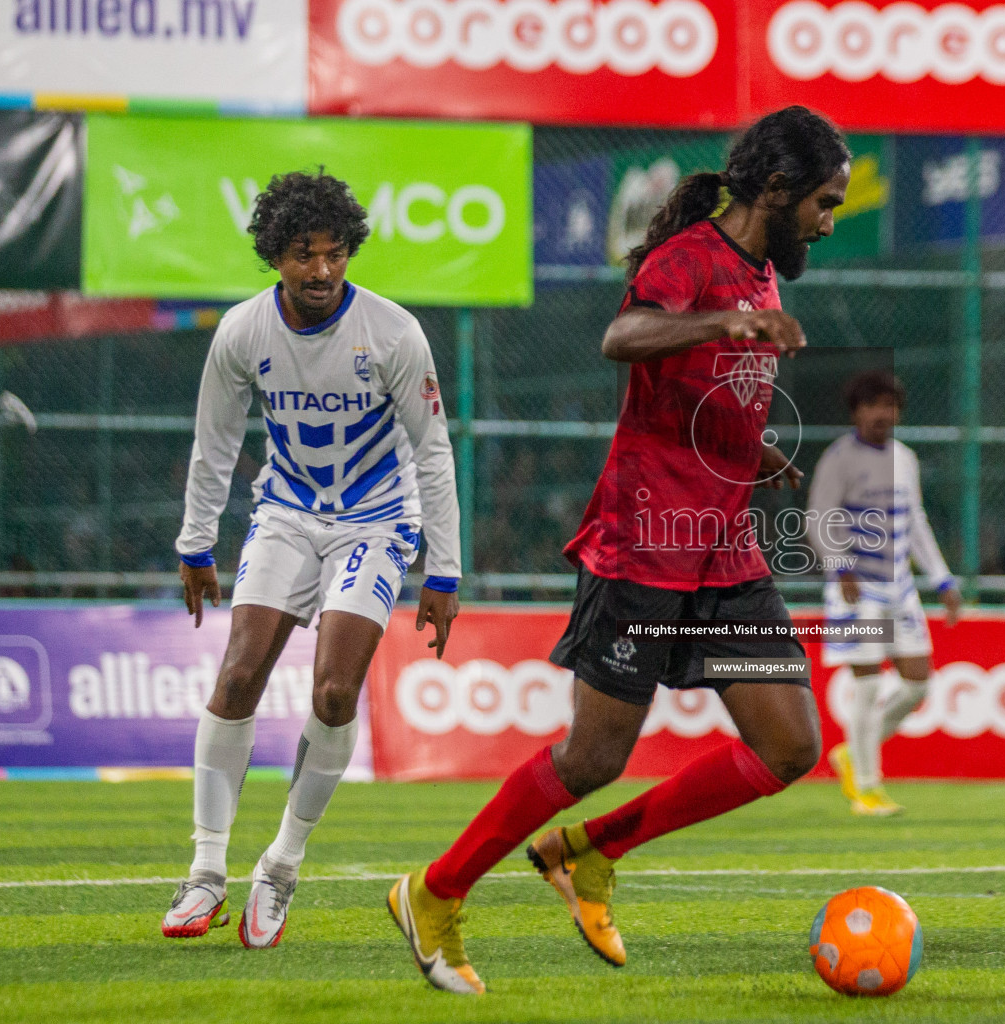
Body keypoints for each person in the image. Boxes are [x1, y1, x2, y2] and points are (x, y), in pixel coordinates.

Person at [386, 106, 852, 995]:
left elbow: (706, 393)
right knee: (594, 758)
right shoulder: (689, 262)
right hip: (643, 548)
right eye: (824, 203)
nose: (828, 223)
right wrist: (730, 327)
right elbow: (623, 338)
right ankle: (435, 891)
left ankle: (591, 852)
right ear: (779, 189)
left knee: (790, 746)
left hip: (725, 554)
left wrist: (758, 451)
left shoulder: (763, 280)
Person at [162, 170, 461, 948]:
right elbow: (216, 443)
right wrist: (195, 543)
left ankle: (283, 864)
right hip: (288, 513)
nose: (323, 270)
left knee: (334, 692)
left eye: (335, 253)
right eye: (304, 254)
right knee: (236, 675)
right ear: (277, 256)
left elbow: (433, 453)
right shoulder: (243, 332)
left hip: (378, 521)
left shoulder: (394, 333)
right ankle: (203, 874)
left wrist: (444, 570)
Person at [806, 370, 960, 816]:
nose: (881, 413)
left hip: (901, 588)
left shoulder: (906, 459)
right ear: (856, 411)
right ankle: (867, 788)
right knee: (870, 683)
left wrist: (943, 580)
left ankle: (854, 755)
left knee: (917, 683)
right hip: (858, 588)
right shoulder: (840, 458)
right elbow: (819, 518)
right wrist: (840, 567)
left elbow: (916, 523)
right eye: (872, 404)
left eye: (889, 405)